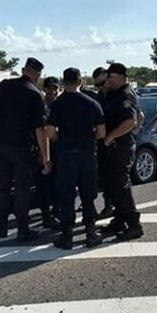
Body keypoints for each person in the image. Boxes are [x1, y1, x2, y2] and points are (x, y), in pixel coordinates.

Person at [0, 57, 50, 242]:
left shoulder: (3, 86)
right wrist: (46, 157)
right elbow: (40, 129)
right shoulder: (34, 94)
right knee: (21, 189)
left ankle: (2, 227)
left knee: (2, 188)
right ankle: (23, 230)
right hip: (21, 149)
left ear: (23, 70)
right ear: (36, 74)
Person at [46, 67, 105, 250]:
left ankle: (67, 237)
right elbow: (101, 133)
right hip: (87, 153)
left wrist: (61, 140)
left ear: (64, 83)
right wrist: (88, 138)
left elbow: (50, 132)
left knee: (67, 196)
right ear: (81, 82)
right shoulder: (92, 103)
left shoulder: (57, 104)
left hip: (65, 154)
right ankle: (90, 234)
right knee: (88, 195)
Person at [100, 62, 143, 241]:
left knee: (121, 186)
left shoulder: (125, 94)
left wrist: (110, 137)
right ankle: (119, 220)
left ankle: (134, 225)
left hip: (121, 147)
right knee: (112, 186)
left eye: (109, 77)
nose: (106, 80)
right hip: (113, 149)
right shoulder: (113, 94)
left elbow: (130, 122)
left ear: (119, 77)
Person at [86, 67, 115, 219]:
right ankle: (108, 205)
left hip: (117, 143)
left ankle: (119, 210)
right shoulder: (98, 98)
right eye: (97, 85)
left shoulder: (119, 95)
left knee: (117, 179)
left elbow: (137, 119)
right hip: (101, 143)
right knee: (104, 176)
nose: (101, 87)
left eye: (102, 83)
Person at [38, 76, 61, 229]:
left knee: (59, 182)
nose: (52, 91)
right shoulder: (40, 105)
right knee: (44, 184)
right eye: (49, 88)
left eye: (55, 88)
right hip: (44, 148)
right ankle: (46, 215)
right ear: (45, 89)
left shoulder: (61, 104)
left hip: (59, 148)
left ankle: (57, 210)